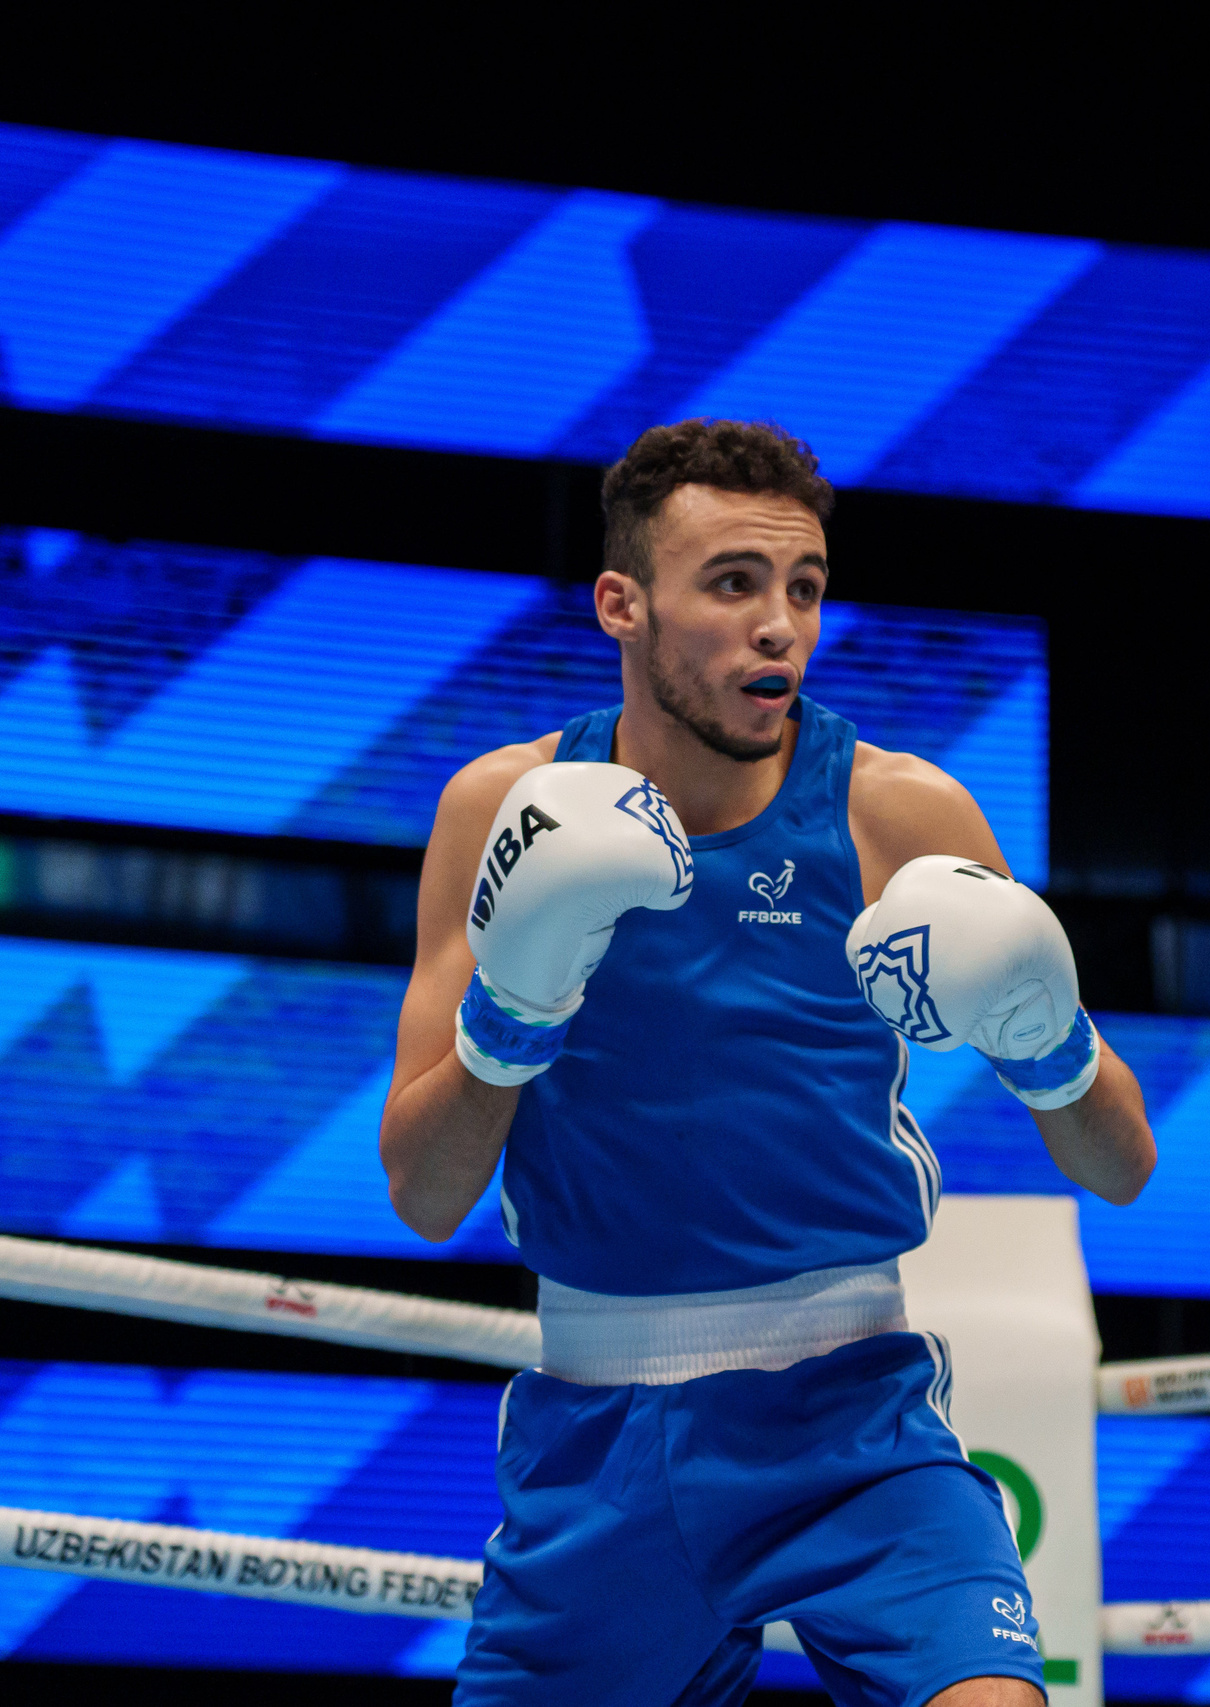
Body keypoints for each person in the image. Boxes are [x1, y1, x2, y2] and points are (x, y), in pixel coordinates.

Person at [379, 419, 1155, 1707]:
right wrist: (515, 1009)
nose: (780, 626)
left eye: (803, 587)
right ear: (621, 605)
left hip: (853, 1416)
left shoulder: (899, 812)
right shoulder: (498, 811)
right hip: (599, 1433)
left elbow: (1119, 1164)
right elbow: (421, 1192)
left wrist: (1044, 1038)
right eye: (733, 583)